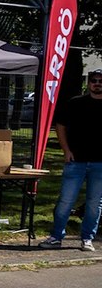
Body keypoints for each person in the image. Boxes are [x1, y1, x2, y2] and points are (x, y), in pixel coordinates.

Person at [40, 68, 102, 251]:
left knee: (94, 203)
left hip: (100, 163)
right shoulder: (75, 103)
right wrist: (66, 150)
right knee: (66, 200)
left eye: (100, 81)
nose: (97, 84)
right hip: (76, 161)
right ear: (88, 83)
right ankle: (56, 236)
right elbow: (60, 125)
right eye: (94, 80)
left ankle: (87, 238)